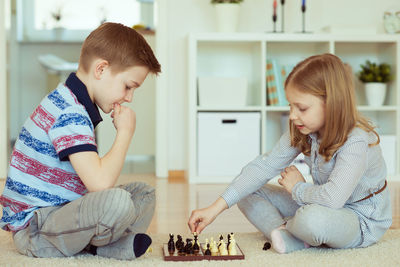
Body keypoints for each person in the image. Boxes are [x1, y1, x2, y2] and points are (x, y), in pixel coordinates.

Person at [188, 53, 391, 254]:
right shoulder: (304, 129)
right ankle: (288, 236)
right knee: (249, 190)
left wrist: (297, 188)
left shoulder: (355, 140)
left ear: (332, 104)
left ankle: (293, 230)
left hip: (358, 218)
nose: (293, 115)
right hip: (318, 203)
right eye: (290, 105)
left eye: (301, 108)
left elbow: (333, 199)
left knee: (312, 219)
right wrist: (215, 208)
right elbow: (263, 167)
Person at [0, 22, 161, 260]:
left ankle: (97, 245)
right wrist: (125, 133)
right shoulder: (69, 112)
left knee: (143, 194)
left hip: (62, 211)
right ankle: (99, 246)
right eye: (128, 87)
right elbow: (100, 183)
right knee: (116, 202)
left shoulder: (72, 101)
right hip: (36, 230)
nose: (129, 97)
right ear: (101, 69)